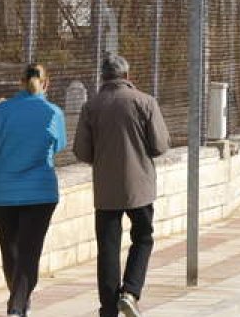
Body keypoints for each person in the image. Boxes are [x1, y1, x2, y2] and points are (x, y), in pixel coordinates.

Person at [0, 64, 67, 317]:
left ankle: (19, 303)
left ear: (20, 82)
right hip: (41, 193)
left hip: (3, 194)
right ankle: (18, 306)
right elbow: (59, 146)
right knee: (29, 252)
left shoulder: (1, 112)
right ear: (47, 83)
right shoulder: (53, 112)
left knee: (10, 251)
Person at [74, 53, 171, 317]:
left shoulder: (91, 106)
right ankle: (130, 291)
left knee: (107, 247)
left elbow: (82, 152)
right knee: (142, 237)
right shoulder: (145, 102)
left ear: (102, 77)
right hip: (139, 187)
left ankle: (108, 309)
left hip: (105, 189)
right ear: (127, 76)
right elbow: (160, 145)